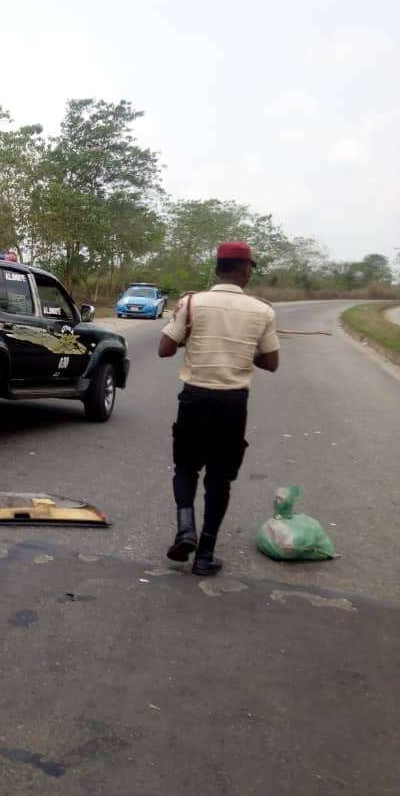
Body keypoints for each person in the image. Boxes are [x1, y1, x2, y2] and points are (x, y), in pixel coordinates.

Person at [157, 242, 280, 576]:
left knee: (185, 467)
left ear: (218, 269)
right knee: (219, 479)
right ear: (244, 270)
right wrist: (244, 350)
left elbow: (164, 349)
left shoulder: (192, 303)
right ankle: (205, 554)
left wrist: (186, 334)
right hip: (231, 404)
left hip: (194, 398)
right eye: (250, 268)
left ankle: (186, 528)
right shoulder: (262, 311)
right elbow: (272, 362)